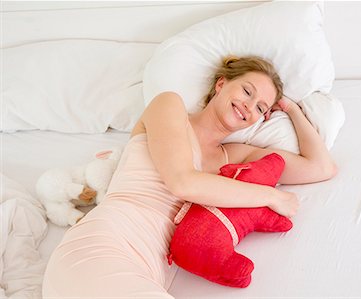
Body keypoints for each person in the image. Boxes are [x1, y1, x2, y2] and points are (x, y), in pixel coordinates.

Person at [42, 56, 337, 298]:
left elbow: (320, 168)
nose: (250, 106)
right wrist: (272, 196)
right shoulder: (169, 107)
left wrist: (292, 109)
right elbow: (182, 182)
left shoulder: (235, 156)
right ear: (221, 84)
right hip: (101, 247)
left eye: (261, 107)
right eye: (247, 91)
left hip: (148, 270)